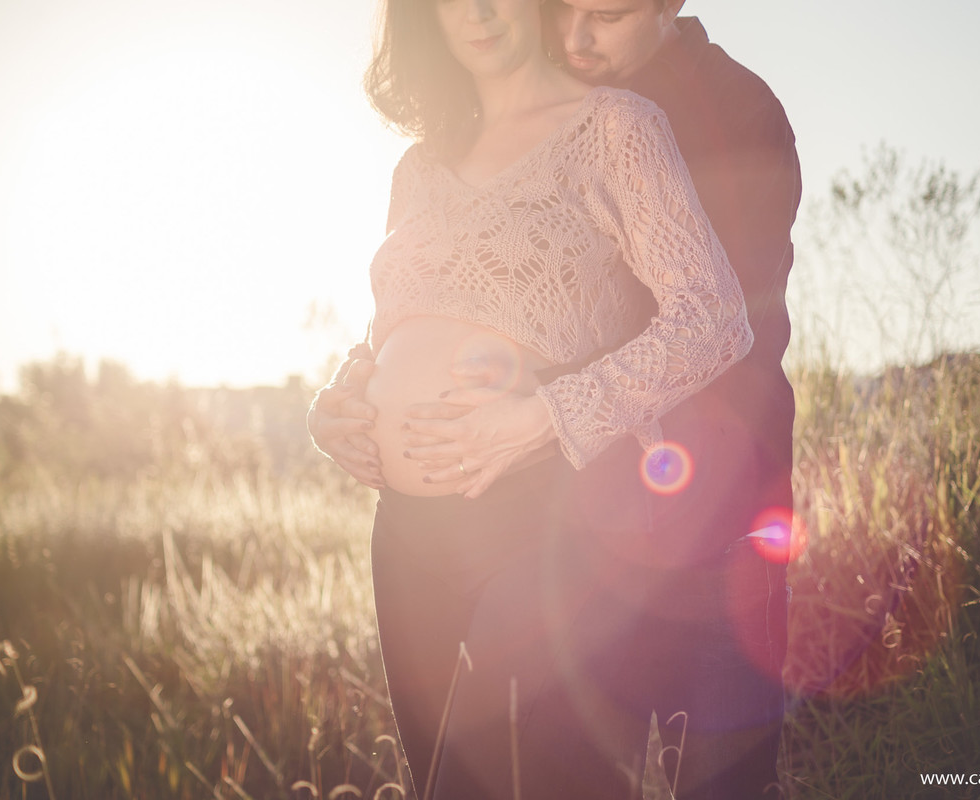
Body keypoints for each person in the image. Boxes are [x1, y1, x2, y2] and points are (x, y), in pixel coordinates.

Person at [312, 1, 801, 797]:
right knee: (445, 774)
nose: (576, 37)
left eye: (603, 15)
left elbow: (717, 322)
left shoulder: (649, 122)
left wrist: (545, 413)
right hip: (406, 539)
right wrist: (346, 397)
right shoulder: (419, 167)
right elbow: (405, 323)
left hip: (603, 513)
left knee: (639, 777)